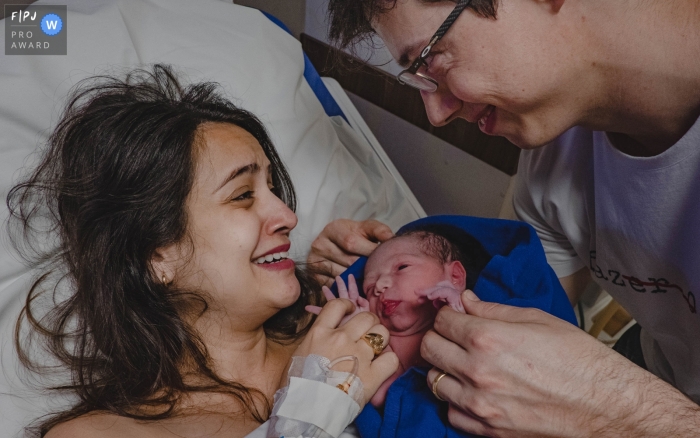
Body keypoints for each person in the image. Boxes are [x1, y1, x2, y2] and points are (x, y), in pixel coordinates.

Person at [308, 0, 700, 436]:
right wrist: (368, 268)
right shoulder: (551, 161)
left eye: (430, 58)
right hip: (653, 367)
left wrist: (622, 412)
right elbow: (527, 313)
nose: (437, 115)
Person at [6, 64, 399, 438]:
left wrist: (396, 260)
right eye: (243, 195)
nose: (287, 216)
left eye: (274, 189)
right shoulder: (98, 434)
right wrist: (316, 403)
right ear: (158, 255)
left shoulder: (345, 325)